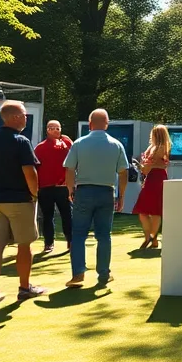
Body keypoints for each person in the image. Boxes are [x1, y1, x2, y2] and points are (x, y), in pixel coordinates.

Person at [0, 101, 47, 308]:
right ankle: (24, 288)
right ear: (15, 117)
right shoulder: (21, 141)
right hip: (19, 201)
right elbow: (30, 173)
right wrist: (34, 194)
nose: (26, 118)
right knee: (24, 245)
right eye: (24, 115)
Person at [64, 109, 129, 286]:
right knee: (103, 235)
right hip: (107, 193)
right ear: (107, 124)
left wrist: (70, 190)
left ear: (90, 123)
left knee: (78, 234)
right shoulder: (116, 145)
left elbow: (69, 169)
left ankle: (78, 274)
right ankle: (104, 274)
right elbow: (123, 172)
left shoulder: (78, 143)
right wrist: (121, 196)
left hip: (83, 192)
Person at [34, 121, 72, 253]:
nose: (56, 131)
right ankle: (48, 243)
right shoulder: (40, 147)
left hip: (62, 186)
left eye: (58, 128)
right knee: (47, 216)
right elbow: (35, 168)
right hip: (45, 187)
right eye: (53, 128)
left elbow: (73, 159)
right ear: (47, 130)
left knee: (67, 214)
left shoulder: (65, 144)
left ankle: (70, 241)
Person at [134, 124, 171, 249]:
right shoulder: (158, 147)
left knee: (149, 211)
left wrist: (140, 166)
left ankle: (151, 237)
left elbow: (147, 168)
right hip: (154, 178)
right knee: (148, 210)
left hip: (155, 179)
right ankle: (152, 237)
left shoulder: (158, 148)